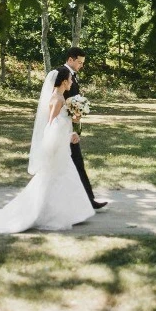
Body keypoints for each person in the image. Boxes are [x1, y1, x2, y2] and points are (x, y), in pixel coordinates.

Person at [0, 66, 95, 233]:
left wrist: (73, 125)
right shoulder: (57, 99)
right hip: (58, 148)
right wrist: (65, 137)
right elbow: (52, 125)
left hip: (63, 146)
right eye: (70, 80)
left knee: (62, 179)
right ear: (64, 81)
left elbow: (61, 122)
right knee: (54, 180)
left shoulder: (61, 98)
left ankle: (71, 213)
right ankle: (49, 214)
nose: (72, 82)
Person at [61, 47, 108, 210]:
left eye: (82, 63)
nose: (81, 65)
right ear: (70, 59)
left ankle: (85, 200)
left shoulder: (72, 74)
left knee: (73, 163)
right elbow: (59, 101)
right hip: (64, 128)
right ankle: (87, 201)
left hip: (68, 125)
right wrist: (72, 125)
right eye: (79, 62)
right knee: (74, 163)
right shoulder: (62, 74)